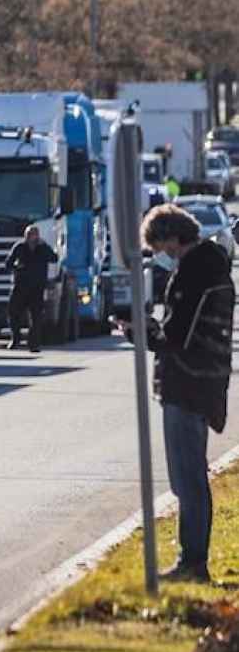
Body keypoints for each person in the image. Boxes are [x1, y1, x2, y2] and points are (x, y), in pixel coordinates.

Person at [123, 205, 233, 582]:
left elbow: (176, 337)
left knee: (187, 478)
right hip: (202, 382)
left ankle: (193, 562)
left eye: (162, 248)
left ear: (174, 238)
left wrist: (141, 331)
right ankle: (192, 559)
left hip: (188, 384)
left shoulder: (195, 272)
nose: (163, 257)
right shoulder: (211, 265)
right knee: (190, 477)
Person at [3, 225, 60, 352]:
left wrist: (45, 247)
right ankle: (15, 338)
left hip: (37, 288)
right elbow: (8, 263)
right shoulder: (19, 247)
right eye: (29, 235)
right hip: (20, 286)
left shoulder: (43, 248)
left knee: (36, 317)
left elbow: (54, 258)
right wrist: (17, 267)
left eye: (34, 235)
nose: (31, 237)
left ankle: (33, 344)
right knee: (13, 313)